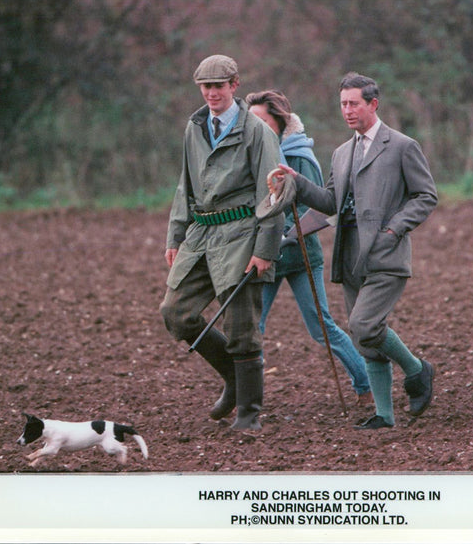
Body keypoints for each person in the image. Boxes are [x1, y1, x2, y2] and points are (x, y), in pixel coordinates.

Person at [274, 72, 438, 430]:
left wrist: (394, 228)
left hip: (386, 256)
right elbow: (330, 202)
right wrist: (297, 182)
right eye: (343, 104)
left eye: (354, 104)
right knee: (366, 342)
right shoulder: (341, 152)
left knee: (364, 325)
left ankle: (416, 370)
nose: (347, 110)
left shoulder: (401, 146)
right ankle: (384, 415)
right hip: (349, 258)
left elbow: (426, 196)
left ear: (373, 104)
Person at [159, 55, 284, 432]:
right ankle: (233, 376)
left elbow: (274, 194)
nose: (212, 93)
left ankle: (248, 413)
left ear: (235, 85)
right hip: (201, 234)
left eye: (219, 85)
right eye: (206, 86)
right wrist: (176, 235)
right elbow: (186, 184)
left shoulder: (257, 131)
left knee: (241, 326)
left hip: (243, 234)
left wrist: (265, 249)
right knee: (175, 311)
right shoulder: (194, 126)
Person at [244, 89, 373, 406]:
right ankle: (246, 396)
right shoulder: (252, 156)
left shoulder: (299, 156)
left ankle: (366, 386)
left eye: (261, 121)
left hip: (301, 257)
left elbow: (319, 206)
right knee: (251, 329)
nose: (255, 127)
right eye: (251, 122)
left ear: (278, 122)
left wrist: (287, 232)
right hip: (265, 258)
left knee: (321, 328)